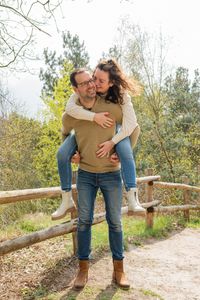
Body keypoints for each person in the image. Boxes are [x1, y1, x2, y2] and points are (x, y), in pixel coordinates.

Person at [62, 68, 131, 289]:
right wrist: (71, 151)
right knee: (84, 222)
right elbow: (64, 132)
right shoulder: (73, 112)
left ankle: (119, 270)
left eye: (92, 80)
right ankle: (83, 271)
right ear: (76, 89)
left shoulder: (111, 105)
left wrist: (121, 152)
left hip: (111, 175)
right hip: (86, 175)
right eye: (84, 83)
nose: (91, 85)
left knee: (116, 223)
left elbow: (132, 128)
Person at [51, 59, 145, 220]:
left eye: (101, 81)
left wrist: (114, 144)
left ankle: (132, 198)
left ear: (111, 82)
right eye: (94, 78)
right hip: (83, 130)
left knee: (125, 150)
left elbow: (133, 127)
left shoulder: (121, 96)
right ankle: (66, 199)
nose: (95, 83)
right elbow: (69, 109)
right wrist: (94, 117)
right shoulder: (78, 95)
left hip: (116, 132)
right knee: (61, 154)